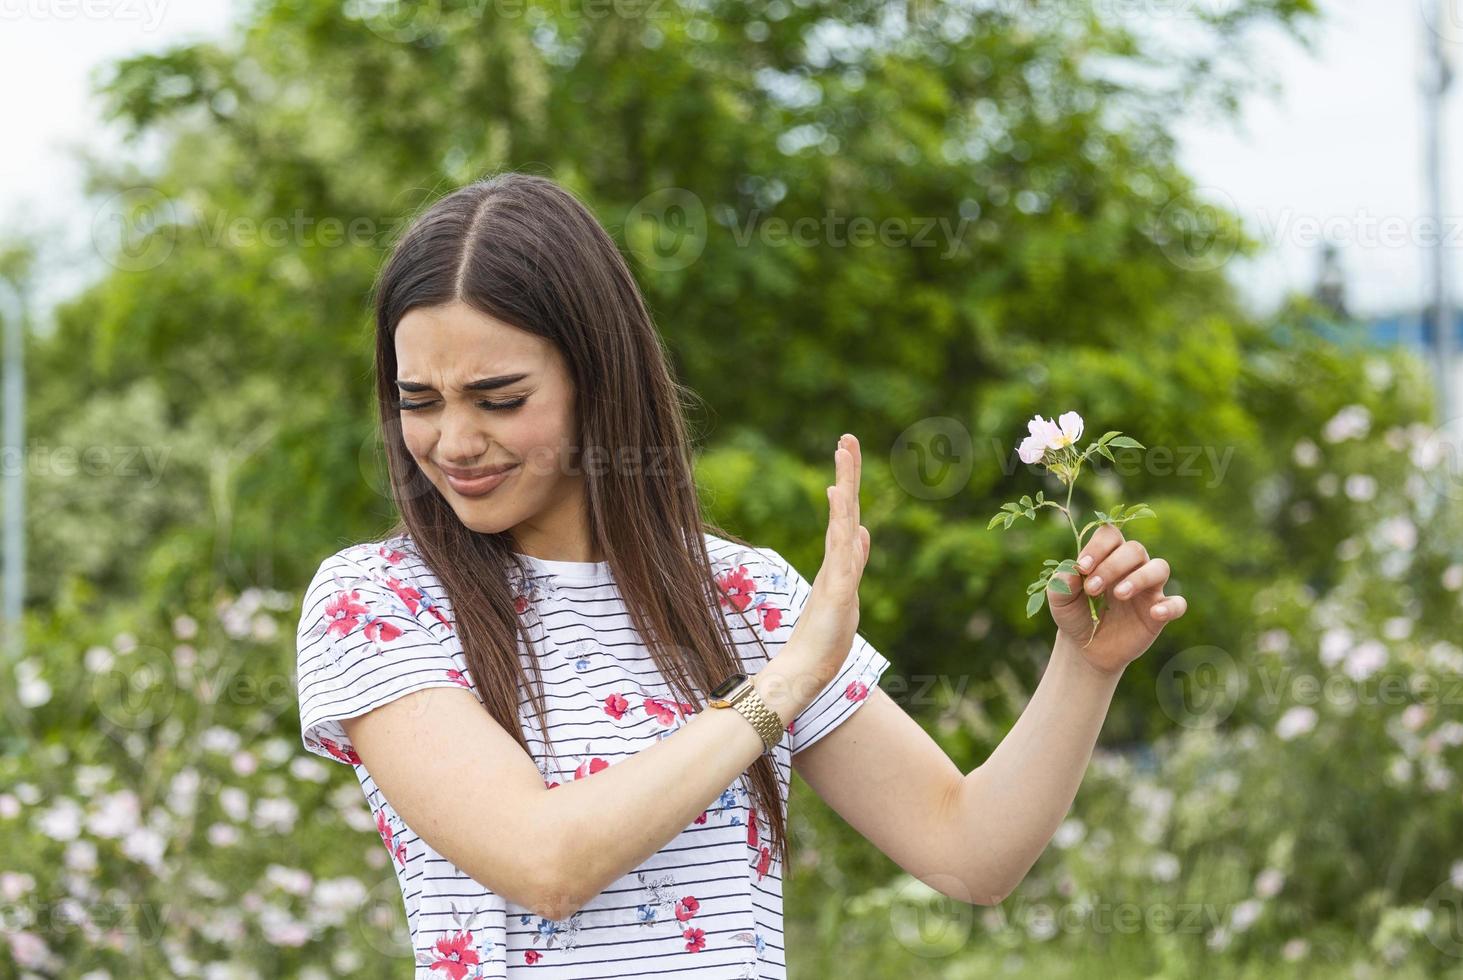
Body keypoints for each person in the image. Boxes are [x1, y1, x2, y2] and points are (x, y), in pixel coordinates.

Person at [293, 172, 1187, 978]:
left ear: (595, 379)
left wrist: (1087, 666)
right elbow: (546, 864)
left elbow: (970, 852)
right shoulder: (377, 602)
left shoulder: (743, 595)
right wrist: (785, 682)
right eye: (420, 401)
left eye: (500, 400)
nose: (453, 441)